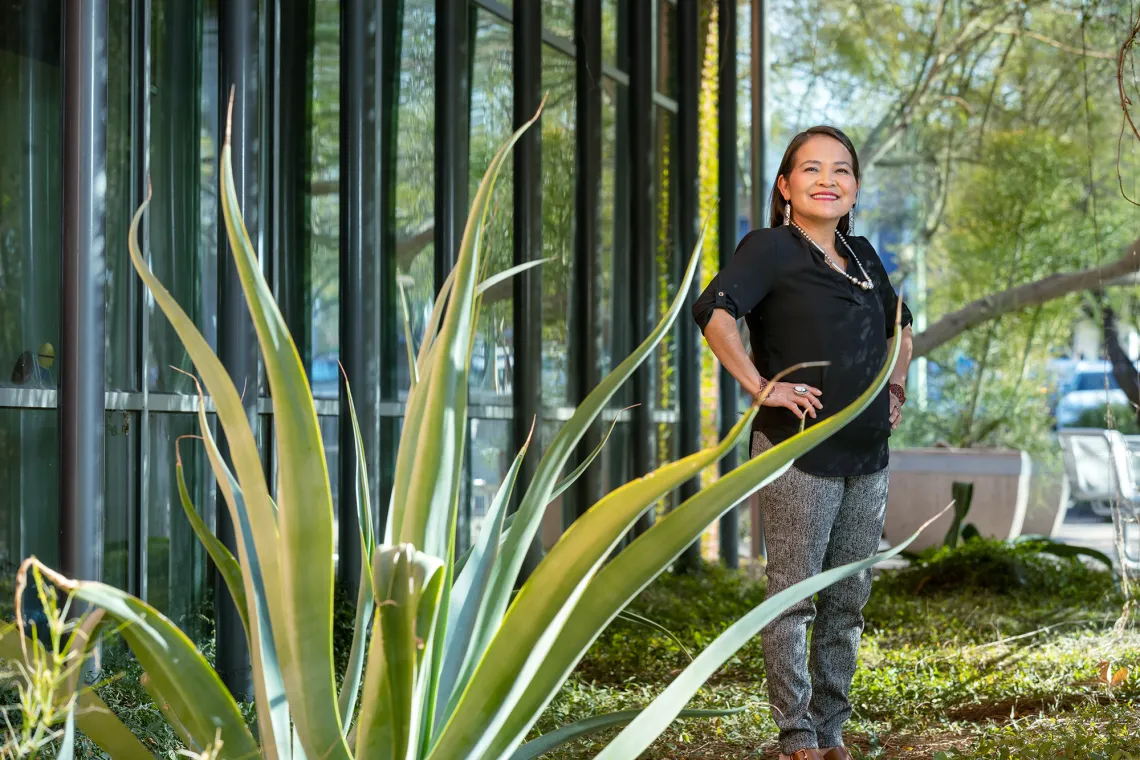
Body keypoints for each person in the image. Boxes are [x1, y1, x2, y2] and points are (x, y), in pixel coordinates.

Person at [691, 126, 913, 760]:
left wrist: (895, 387)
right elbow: (715, 312)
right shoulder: (770, 249)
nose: (827, 180)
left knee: (847, 602)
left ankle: (831, 730)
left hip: (868, 455)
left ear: (855, 187)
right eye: (811, 169)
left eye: (840, 170)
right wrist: (761, 386)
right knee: (794, 599)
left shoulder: (865, 255)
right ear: (785, 186)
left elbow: (903, 327)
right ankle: (797, 737)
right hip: (799, 453)